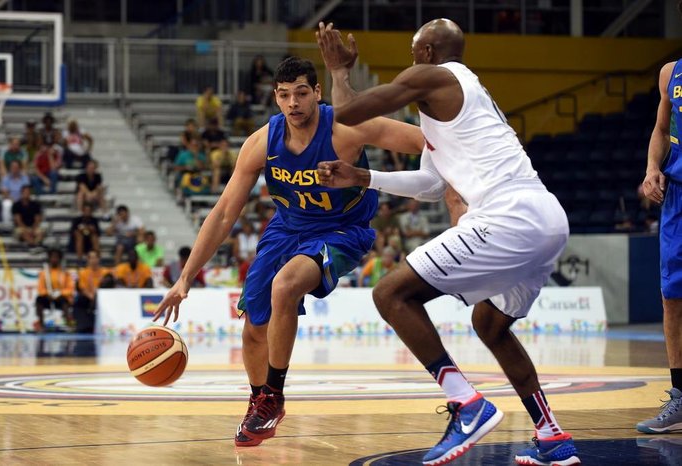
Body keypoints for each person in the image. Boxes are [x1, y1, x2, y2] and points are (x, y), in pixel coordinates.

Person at [315, 20, 579, 465]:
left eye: (414, 50)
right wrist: (364, 177)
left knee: (391, 294)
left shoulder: (432, 76)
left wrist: (339, 72)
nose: (409, 61)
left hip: (509, 217)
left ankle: (467, 403)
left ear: (430, 51)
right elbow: (431, 185)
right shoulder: (460, 102)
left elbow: (349, 112)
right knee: (490, 325)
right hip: (547, 219)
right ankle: (552, 436)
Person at [151, 56, 425, 448]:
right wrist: (184, 277)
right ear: (275, 98)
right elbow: (226, 211)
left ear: (317, 93)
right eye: (284, 95)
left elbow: (420, 141)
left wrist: (457, 177)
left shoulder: (346, 127)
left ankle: (274, 397)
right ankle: (259, 399)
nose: (293, 103)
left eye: (301, 93)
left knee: (286, 285)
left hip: (342, 228)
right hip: (286, 228)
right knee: (252, 330)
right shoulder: (262, 142)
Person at [637, 3, 682, 435]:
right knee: (672, 296)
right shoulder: (671, 72)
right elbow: (660, 128)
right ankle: (680, 395)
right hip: (678, 196)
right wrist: (653, 169)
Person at [35, 248, 74, 332]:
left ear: (60, 259)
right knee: (39, 299)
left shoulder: (65, 273)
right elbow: (40, 289)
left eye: (56, 257)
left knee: (64, 301)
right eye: (52, 257)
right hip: (48, 297)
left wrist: (60, 293)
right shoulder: (44, 273)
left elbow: (70, 289)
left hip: (61, 297)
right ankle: (41, 325)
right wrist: (47, 294)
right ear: (49, 259)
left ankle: (69, 324)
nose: (54, 259)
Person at [75, 250, 113, 333]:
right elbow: (83, 288)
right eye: (91, 258)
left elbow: (109, 287)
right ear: (88, 260)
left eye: (95, 257)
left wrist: (98, 298)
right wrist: (93, 297)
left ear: (99, 259)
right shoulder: (83, 273)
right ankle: (84, 326)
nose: (93, 260)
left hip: (104, 299)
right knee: (80, 300)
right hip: (89, 298)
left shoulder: (105, 272)